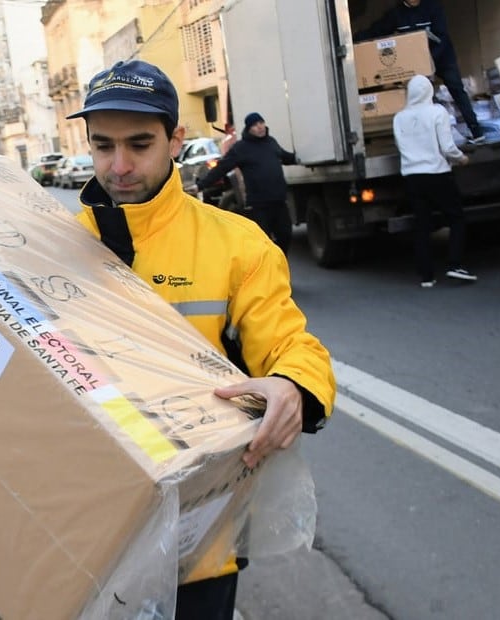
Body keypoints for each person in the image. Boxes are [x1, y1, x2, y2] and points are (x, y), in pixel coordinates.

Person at [66, 59, 335, 620]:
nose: (119, 166)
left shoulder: (237, 245)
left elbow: (291, 344)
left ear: (175, 140)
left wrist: (292, 386)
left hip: (198, 533)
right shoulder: (55, 246)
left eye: (139, 144)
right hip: (85, 528)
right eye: (103, 146)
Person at [356, 0, 485, 143]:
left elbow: (441, 37)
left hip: (442, 57)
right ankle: (429, 138)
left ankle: (476, 130)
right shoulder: (396, 14)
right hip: (417, 64)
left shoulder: (433, 7)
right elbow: (377, 30)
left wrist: (429, 62)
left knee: (456, 89)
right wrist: (352, 39)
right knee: (420, 97)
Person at [393, 74, 477, 287]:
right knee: (456, 217)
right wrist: (461, 158)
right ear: (429, 91)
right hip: (437, 173)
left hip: (412, 176)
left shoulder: (399, 118)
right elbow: (447, 147)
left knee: (422, 224)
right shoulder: (437, 112)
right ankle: (455, 264)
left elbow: (401, 146)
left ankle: (426, 275)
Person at [195, 112, 297, 254]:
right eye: (255, 125)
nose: (260, 127)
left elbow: (286, 157)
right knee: (263, 241)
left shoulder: (271, 142)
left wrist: (301, 156)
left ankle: (279, 261)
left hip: (279, 201)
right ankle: (268, 264)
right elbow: (222, 168)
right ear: (249, 128)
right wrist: (200, 185)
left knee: (285, 235)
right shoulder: (241, 148)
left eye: (261, 123)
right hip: (259, 204)